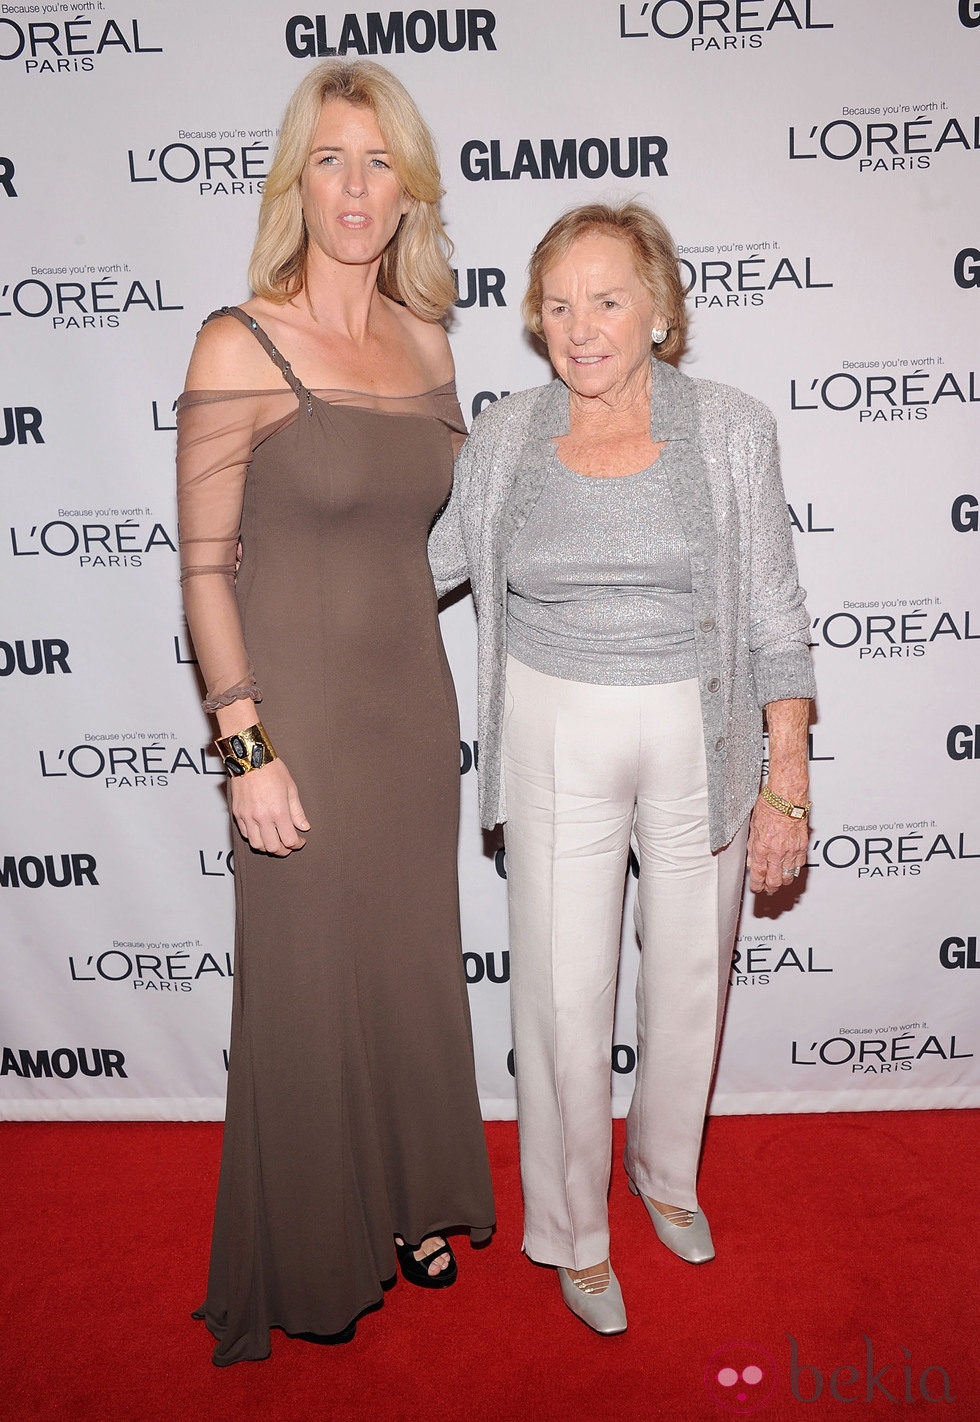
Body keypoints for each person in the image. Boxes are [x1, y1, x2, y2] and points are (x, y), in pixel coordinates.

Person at [428, 201, 815, 1335]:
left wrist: (785, 778)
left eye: (605, 299)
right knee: (558, 990)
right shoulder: (504, 439)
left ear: (658, 310)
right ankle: (571, 1235)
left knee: (688, 975)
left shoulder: (731, 431)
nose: (578, 326)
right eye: (555, 303)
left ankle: (665, 1177)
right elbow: (421, 567)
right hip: (552, 726)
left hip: (701, 727)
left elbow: (777, 618)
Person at [176, 58, 494, 1366]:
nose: (356, 187)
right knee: (310, 985)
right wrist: (244, 743)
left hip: (412, 716)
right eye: (331, 159)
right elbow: (202, 570)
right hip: (293, 719)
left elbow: (455, 537)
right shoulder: (235, 342)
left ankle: (409, 1193)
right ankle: (318, 1237)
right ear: (294, 183)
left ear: (410, 188)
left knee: (407, 969)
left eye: (380, 162)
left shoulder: (431, 345)